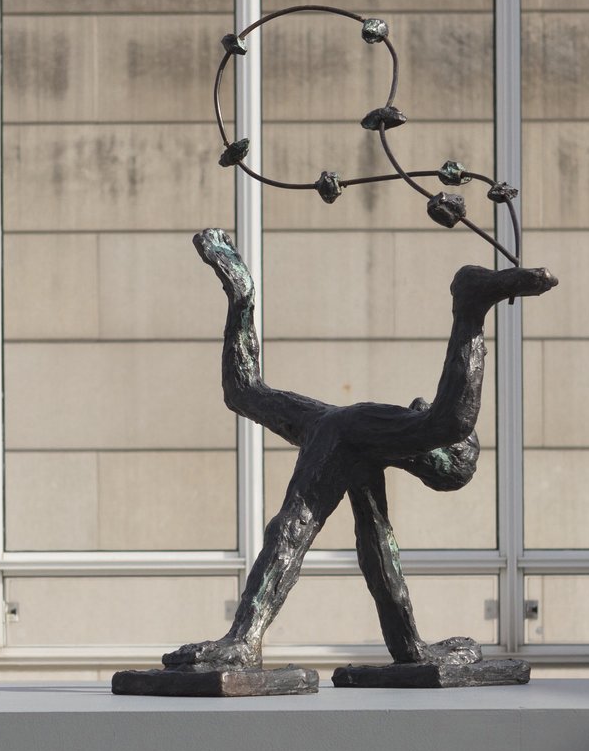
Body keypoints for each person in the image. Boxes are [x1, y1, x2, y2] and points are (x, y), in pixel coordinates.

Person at [168, 226, 553, 677]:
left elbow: (243, 389)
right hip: (357, 427)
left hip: (342, 428)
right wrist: (471, 314)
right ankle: (243, 639)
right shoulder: (375, 431)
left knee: (366, 528)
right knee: (301, 522)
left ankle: (398, 643)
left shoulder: (358, 439)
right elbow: (450, 424)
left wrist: (241, 291)